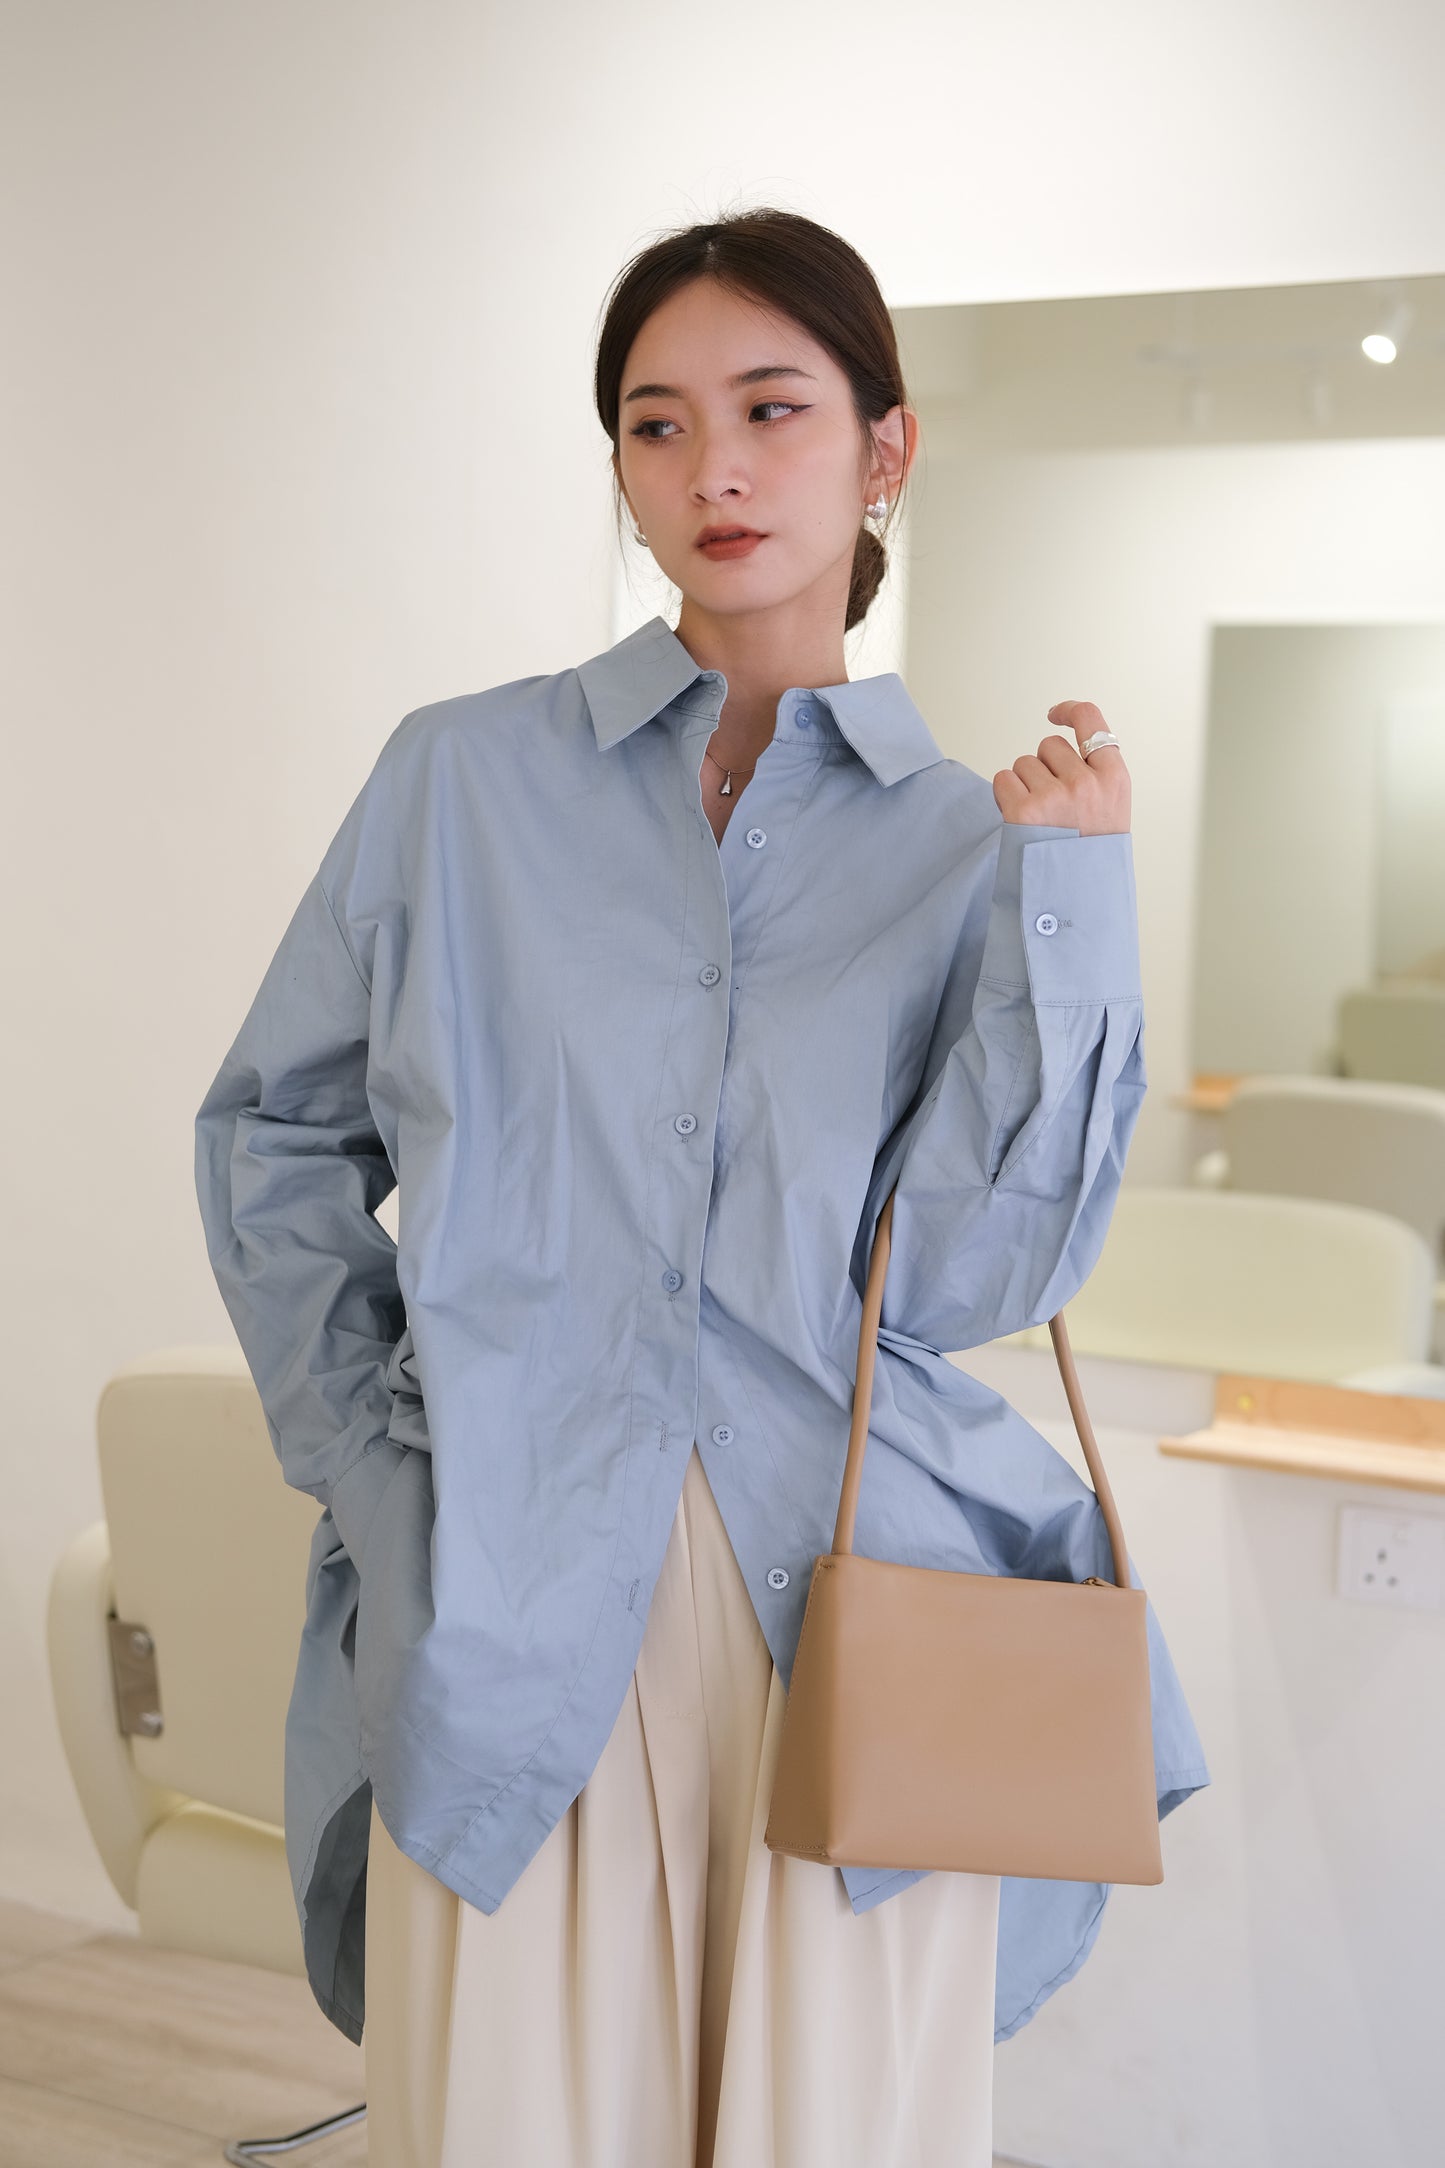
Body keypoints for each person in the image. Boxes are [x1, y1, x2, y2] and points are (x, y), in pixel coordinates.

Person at [194, 206, 1210, 2168]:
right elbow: (272, 1134)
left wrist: (1072, 900)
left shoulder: (967, 841)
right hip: (509, 1588)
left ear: (885, 447)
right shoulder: (458, 784)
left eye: (770, 409)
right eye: (657, 426)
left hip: (847, 1619)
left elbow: (975, 1276)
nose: (713, 470)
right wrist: (375, 1456)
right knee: (511, 2121)